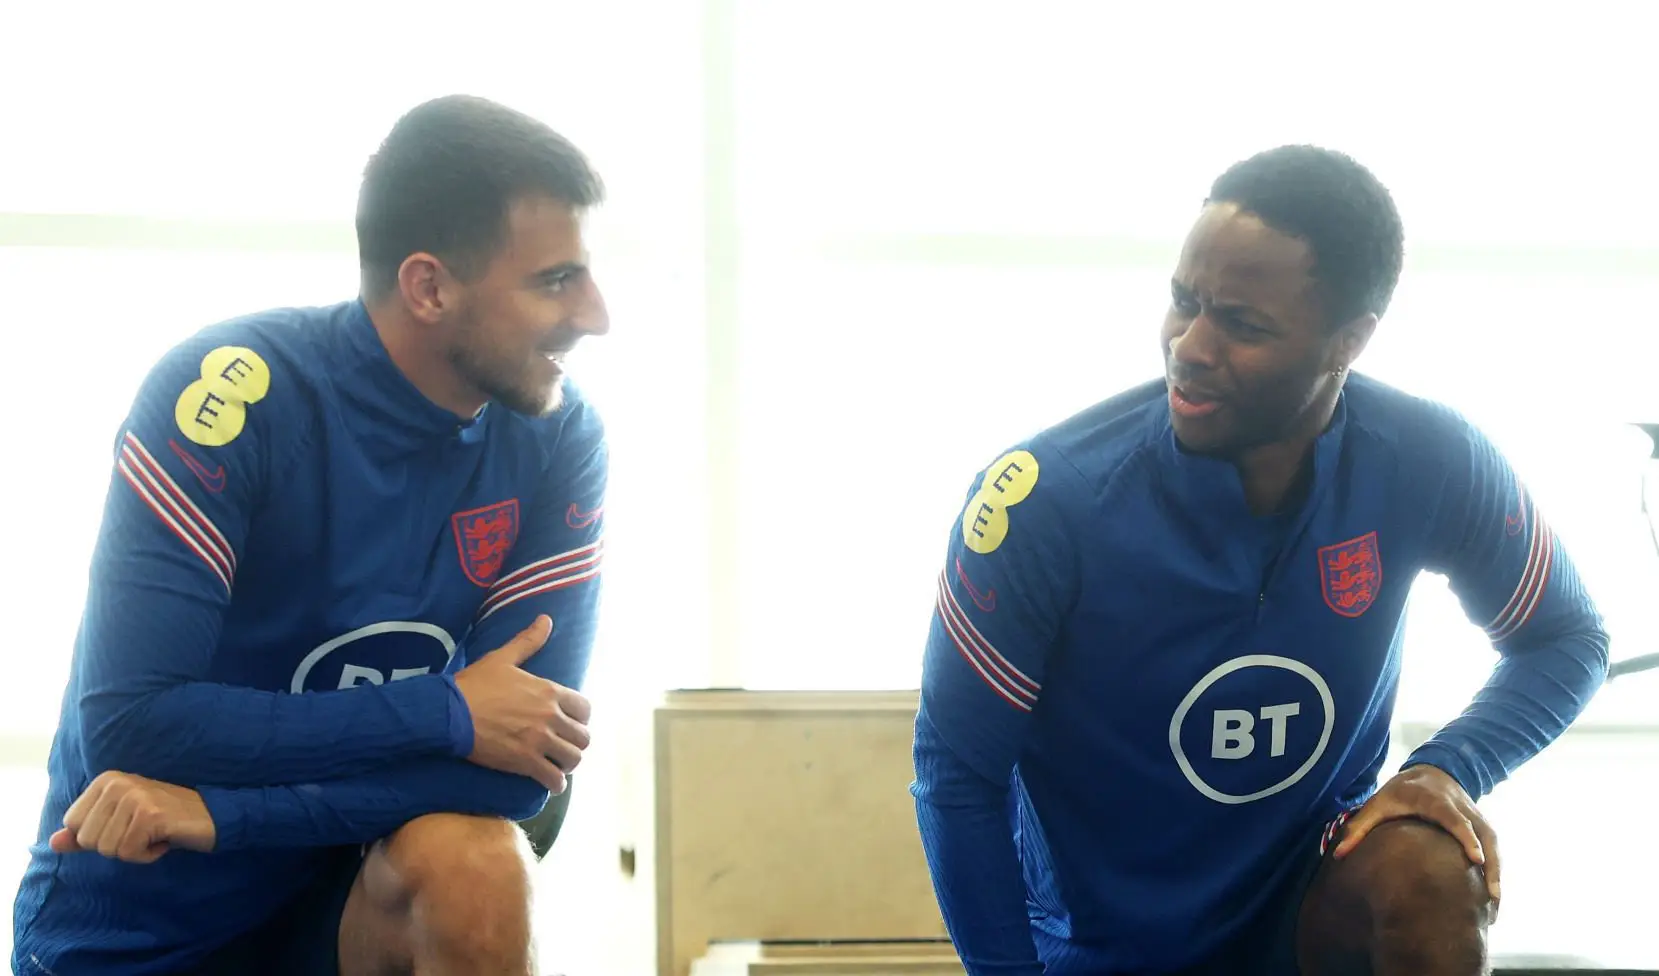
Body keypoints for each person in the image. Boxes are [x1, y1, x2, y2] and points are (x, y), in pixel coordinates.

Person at [912, 145, 1609, 975]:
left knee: (1429, 864)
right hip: (1101, 945)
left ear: (1348, 341)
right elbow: (957, 775)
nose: (1189, 346)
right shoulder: (1045, 500)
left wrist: (1448, 767)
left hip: (1307, 913)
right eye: (1183, 301)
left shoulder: (1425, 456)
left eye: (1242, 325)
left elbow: (1566, 637)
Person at [11, 94, 611, 976]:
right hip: (134, 930)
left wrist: (222, 816)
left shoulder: (559, 434)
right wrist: (447, 711)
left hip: (343, 916)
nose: (595, 314)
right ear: (429, 287)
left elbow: (523, 769)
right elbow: (133, 723)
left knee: (478, 861)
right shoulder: (229, 395)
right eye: (555, 281)